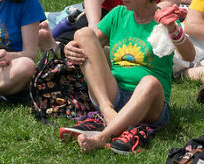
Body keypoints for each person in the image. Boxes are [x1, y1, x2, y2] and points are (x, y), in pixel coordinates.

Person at [58, 1, 195, 154]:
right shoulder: (119, 14)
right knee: (83, 34)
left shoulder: (164, 19)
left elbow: (190, 55)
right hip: (114, 95)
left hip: (149, 103)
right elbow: (88, 42)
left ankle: (103, 136)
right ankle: (107, 111)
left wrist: (173, 30)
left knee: (150, 82)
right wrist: (70, 48)